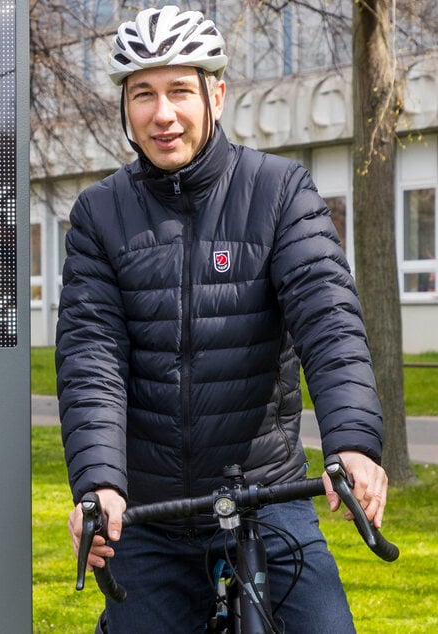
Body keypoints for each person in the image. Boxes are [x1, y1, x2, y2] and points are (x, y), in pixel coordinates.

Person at [55, 6, 389, 633]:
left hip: (266, 498)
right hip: (152, 511)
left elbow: (329, 322)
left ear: (216, 94)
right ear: (125, 107)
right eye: (143, 94)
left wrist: (353, 444)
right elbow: (91, 359)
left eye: (180, 90)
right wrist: (99, 483)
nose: (163, 114)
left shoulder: (280, 191)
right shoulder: (100, 214)